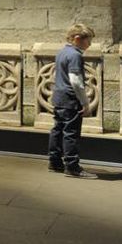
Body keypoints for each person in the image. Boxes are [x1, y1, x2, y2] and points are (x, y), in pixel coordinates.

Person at [48, 23, 97, 179]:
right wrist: (85, 102)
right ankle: (72, 166)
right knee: (71, 133)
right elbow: (75, 80)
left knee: (57, 130)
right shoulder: (75, 55)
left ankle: (55, 162)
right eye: (88, 41)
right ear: (77, 39)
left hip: (58, 97)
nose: (89, 45)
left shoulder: (62, 52)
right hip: (70, 99)